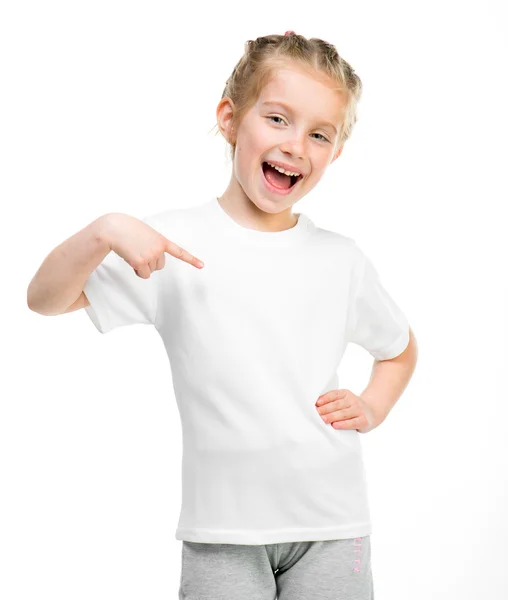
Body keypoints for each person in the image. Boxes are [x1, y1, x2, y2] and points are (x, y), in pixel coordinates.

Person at [27, 31, 418, 600]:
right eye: (278, 119)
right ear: (231, 119)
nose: (295, 147)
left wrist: (372, 406)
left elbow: (399, 348)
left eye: (318, 134)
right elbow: (44, 299)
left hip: (332, 528)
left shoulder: (341, 259)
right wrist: (104, 230)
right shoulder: (173, 242)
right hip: (221, 534)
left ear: (335, 152)